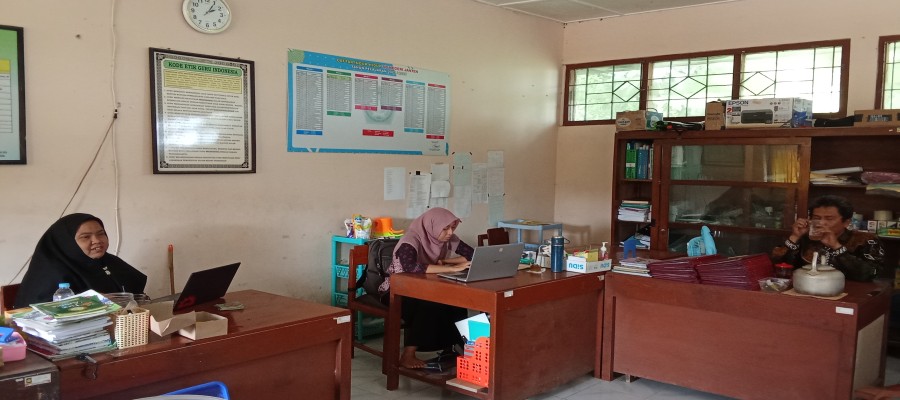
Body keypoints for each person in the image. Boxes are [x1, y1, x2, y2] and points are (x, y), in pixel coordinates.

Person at [380, 207, 474, 369]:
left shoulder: (447, 238)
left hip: (425, 287)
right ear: (432, 226)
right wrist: (451, 269)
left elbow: (471, 254)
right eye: (445, 228)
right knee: (429, 304)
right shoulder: (410, 240)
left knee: (457, 301)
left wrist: (447, 262)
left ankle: (467, 349)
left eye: (453, 228)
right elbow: (410, 267)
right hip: (396, 290)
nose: (450, 232)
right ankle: (408, 355)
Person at [14, 213, 147, 308]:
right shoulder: (50, 272)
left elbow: (136, 296)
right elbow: (40, 311)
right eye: (85, 237)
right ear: (67, 243)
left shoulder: (110, 262)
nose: (97, 240)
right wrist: (92, 300)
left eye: (101, 234)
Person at [772, 195, 884, 281]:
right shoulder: (805, 237)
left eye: (829, 219)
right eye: (816, 218)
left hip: (849, 294)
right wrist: (794, 237)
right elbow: (778, 267)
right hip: (806, 288)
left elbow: (870, 274)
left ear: (846, 222)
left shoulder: (865, 240)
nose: (821, 223)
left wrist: (836, 247)